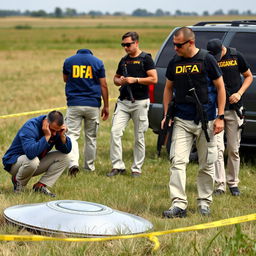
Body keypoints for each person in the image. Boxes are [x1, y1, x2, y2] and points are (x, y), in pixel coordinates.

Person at [162, 27, 226, 218]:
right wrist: (167, 114)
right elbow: (167, 88)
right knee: (178, 161)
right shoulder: (174, 62)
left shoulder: (207, 59)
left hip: (206, 120)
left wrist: (220, 117)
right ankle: (178, 205)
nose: (174, 48)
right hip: (182, 119)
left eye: (178, 45)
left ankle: (204, 203)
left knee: (207, 164)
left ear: (190, 42)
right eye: (173, 44)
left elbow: (220, 88)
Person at [107, 31, 157, 177]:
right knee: (115, 132)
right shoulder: (123, 60)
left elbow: (153, 79)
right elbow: (115, 79)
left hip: (140, 102)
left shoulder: (146, 59)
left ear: (136, 43)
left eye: (128, 44)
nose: (125, 48)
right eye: (123, 45)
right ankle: (117, 166)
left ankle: (136, 168)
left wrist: (135, 80)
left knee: (139, 136)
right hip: (123, 102)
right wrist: (120, 81)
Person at [207, 38, 253, 196]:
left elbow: (248, 76)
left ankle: (233, 183)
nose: (217, 58)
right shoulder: (209, 59)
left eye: (219, 54)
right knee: (218, 149)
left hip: (234, 110)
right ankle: (220, 184)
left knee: (233, 149)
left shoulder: (235, 56)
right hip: (216, 110)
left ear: (223, 48)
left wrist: (239, 93)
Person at [2, 110, 71, 197]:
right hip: (15, 163)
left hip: (34, 162)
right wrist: (46, 136)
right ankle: (18, 182)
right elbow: (31, 153)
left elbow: (66, 150)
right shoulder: (30, 127)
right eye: (52, 130)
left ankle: (40, 186)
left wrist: (62, 136)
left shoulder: (56, 130)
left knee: (65, 157)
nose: (54, 133)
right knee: (33, 161)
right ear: (46, 122)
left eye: (57, 131)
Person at [63, 49, 109, 176]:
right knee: (91, 138)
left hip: (74, 104)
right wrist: (106, 106)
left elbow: (65, 79)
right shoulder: (98, 62)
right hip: (93, 105)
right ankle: (89, 167)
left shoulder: (69, 61)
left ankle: (73, 163)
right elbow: (103, 85)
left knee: (72, 135)